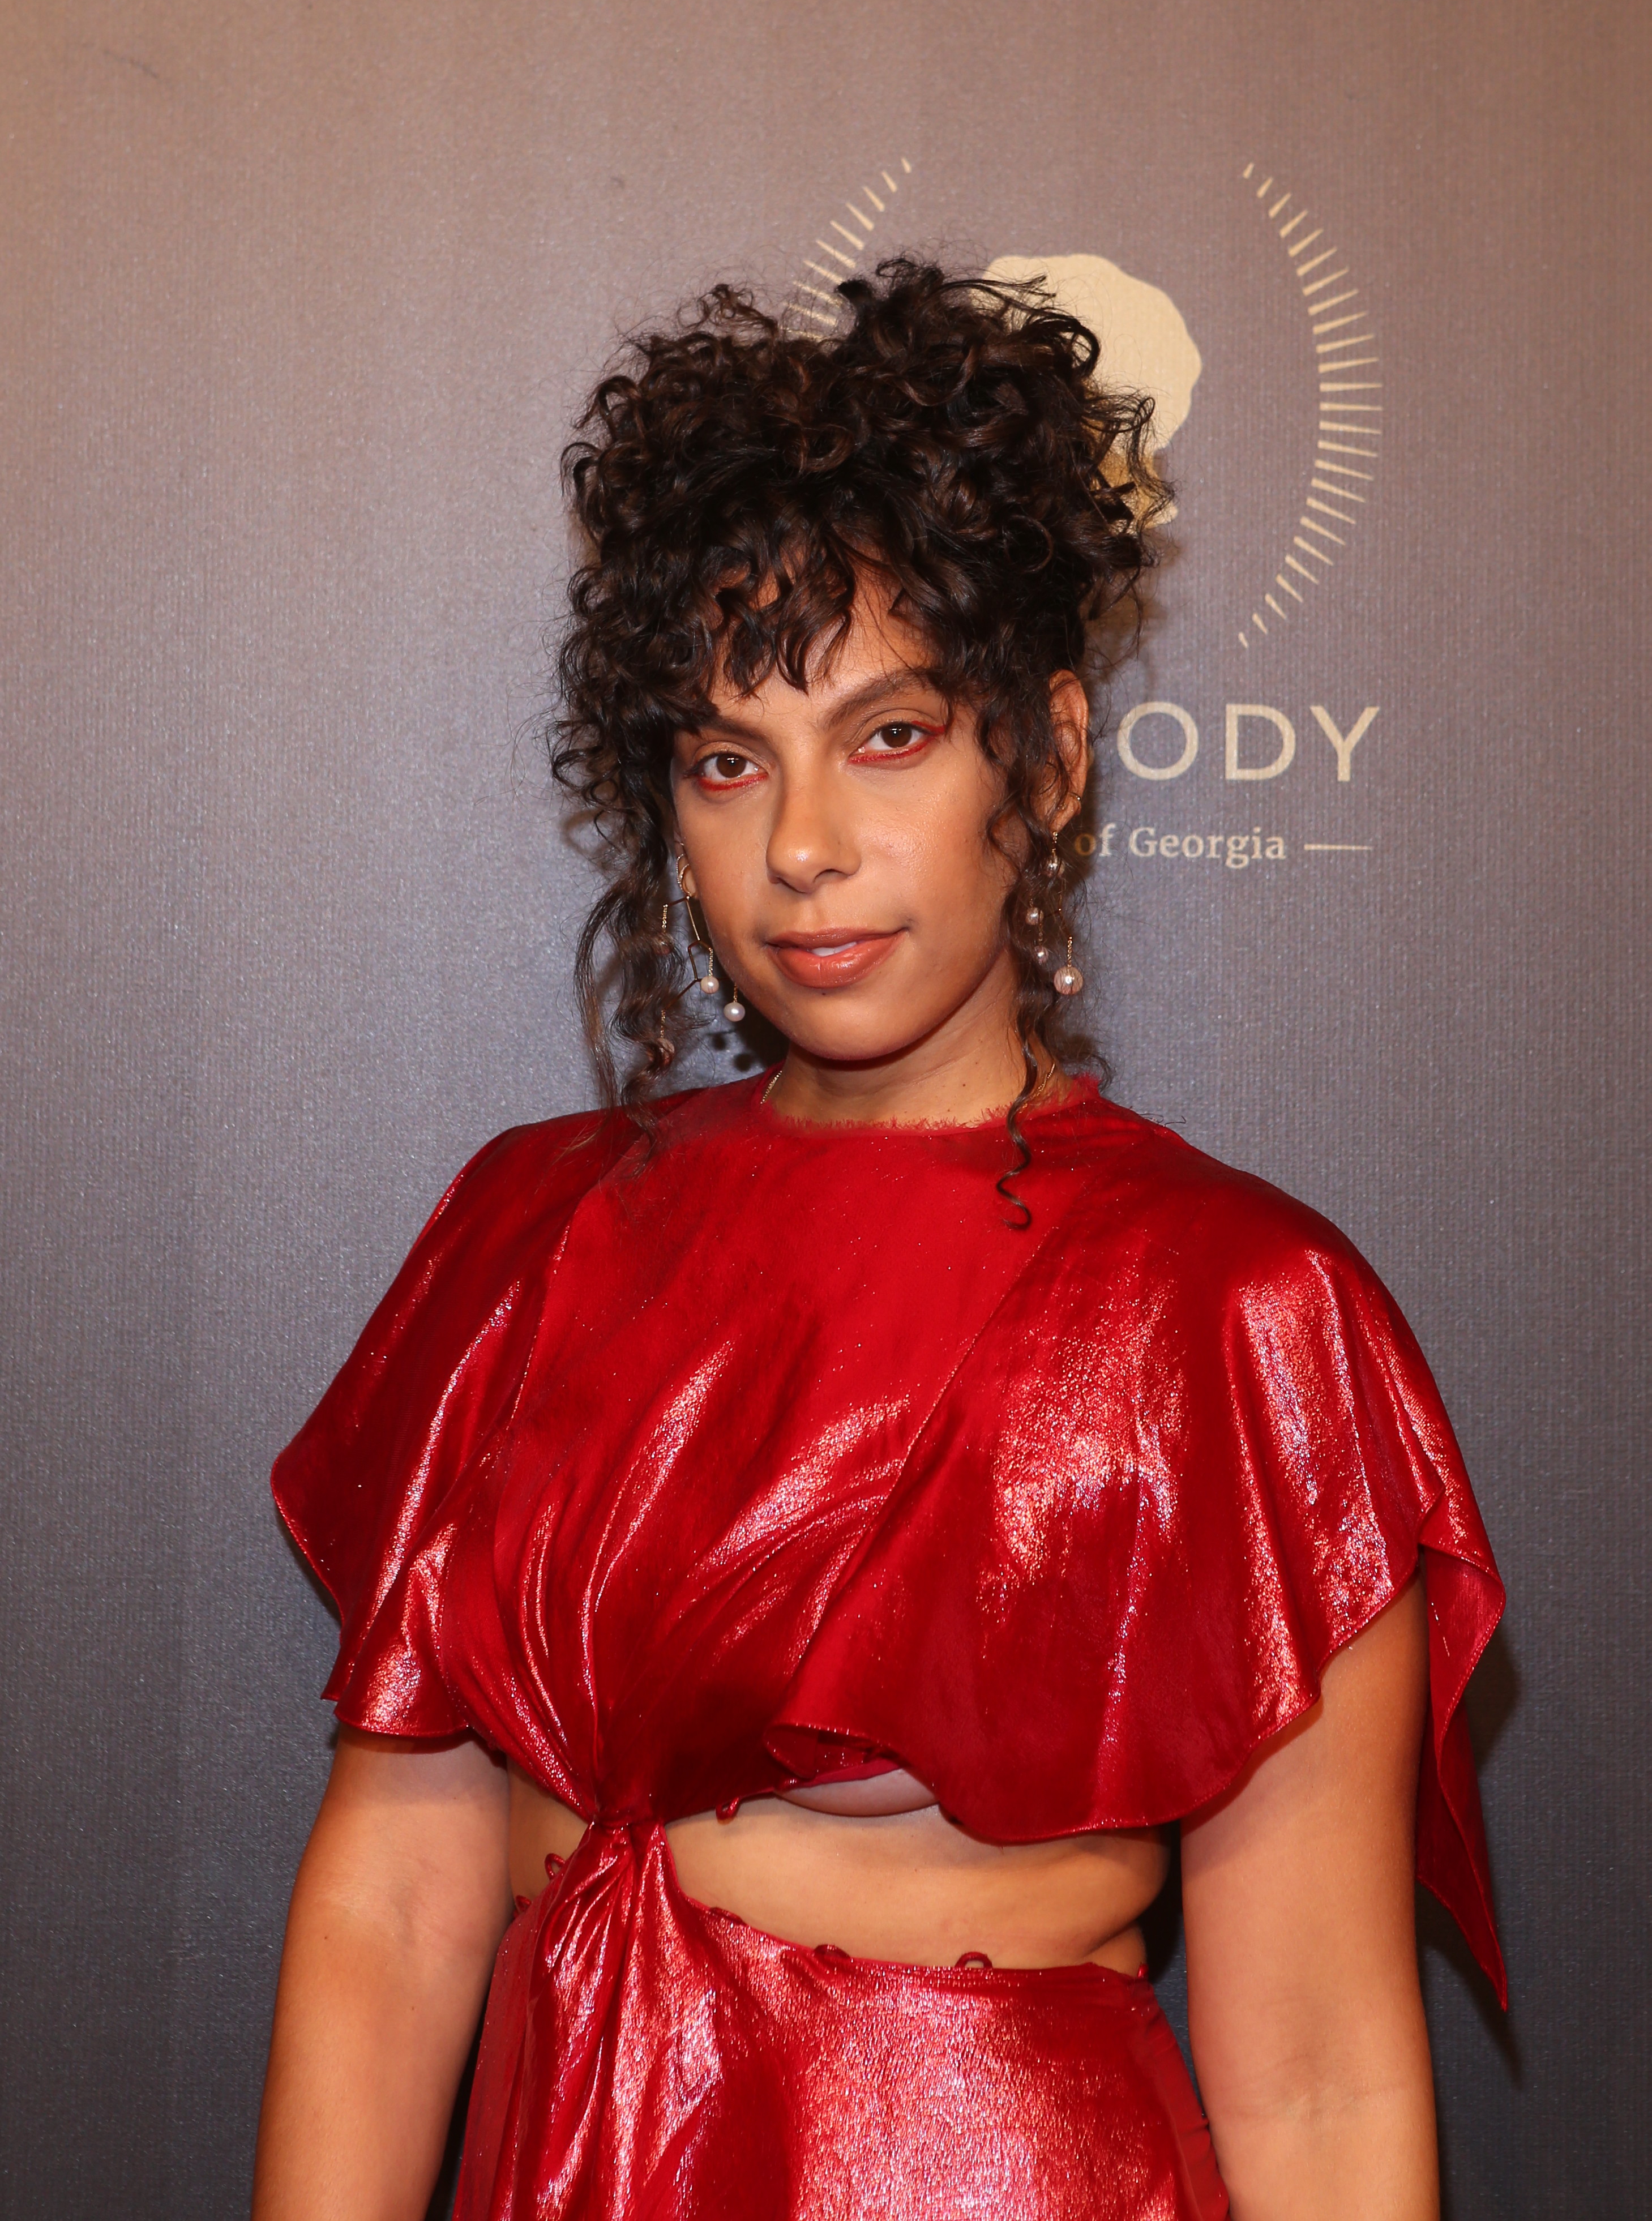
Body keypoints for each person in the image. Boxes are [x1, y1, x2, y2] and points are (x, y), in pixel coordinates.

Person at [254, 262, 1504, 2221]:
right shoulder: (529, 1231)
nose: (804, 844)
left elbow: (1327, 2082)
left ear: (1052, 754)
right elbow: (400, 1902)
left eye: (891, 735)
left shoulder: (1241, 1310)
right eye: (729, 757)